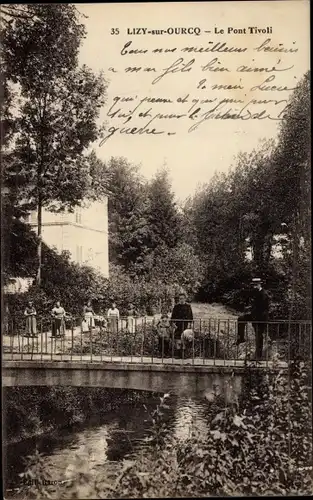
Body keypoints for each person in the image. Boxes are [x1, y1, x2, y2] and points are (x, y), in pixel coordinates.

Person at [237, 277, 270, 360]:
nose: (254, 287)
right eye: (253, 285)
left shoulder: (264, 294)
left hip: (261, 318)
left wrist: (258, 320)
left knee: (259, 336)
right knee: (241, 318)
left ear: (259, 285)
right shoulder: (256, 293)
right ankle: (241, 338)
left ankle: (258, 356)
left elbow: (264, 309)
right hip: (254, 316)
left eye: (255, 285)